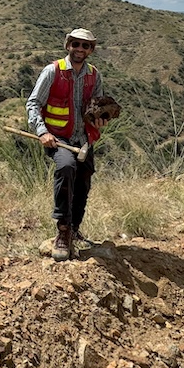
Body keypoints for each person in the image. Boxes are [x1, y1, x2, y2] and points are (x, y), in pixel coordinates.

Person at [26, 28, 114, 262]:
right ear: (68, 46)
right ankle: (63, 232)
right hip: (58, 139)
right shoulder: (53, 71)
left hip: (83, 138)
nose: (80, 49)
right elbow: (33, 103)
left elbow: (96, 107)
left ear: (91, 50)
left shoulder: (94, 75)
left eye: (86, 46)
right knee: (66, 169)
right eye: (76, 44)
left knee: (84, 182)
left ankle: (75, 228)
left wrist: (100, 120)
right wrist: (42, 131)